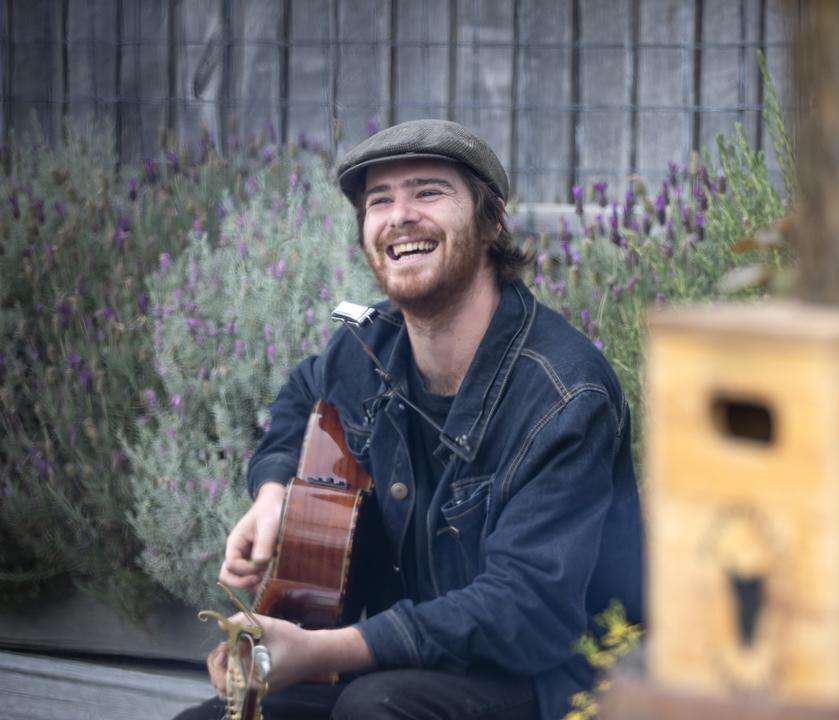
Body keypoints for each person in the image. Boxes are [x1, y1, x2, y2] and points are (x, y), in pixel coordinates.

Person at [176, 119, 645, 720]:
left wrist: (320, 648)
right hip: (414, 661)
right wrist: (273, 494)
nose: (400, 216)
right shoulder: (372, 344)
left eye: (428, 192)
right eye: (379, 201)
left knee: (374, 709)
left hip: (560, 683)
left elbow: (524, 611)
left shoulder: (565, 395)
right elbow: (302, 394)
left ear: (491, 219)